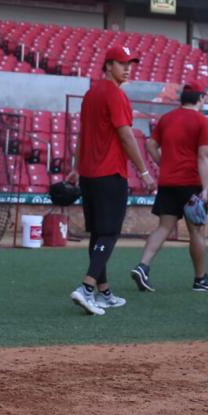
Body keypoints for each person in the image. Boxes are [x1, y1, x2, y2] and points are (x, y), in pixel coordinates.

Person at [69, 44, 153, 315]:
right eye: (121, 63)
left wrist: (75, 166)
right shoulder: (115, 95)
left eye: (130, 63)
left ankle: (103, 292)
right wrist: (143, 171)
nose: (127, 68)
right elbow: (126, 135)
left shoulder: (91, 93)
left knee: (98, 232)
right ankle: (87, 287)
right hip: (109, 174)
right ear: (107, 66)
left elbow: (82, 134)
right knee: (109, 232)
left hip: (89, 174)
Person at [131, 85, 208, 295]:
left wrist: (166, 164)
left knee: (163, 227)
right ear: (201, 97)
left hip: (168, 182)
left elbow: (151, 146)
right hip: (191, 184)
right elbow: (204, 156)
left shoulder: (167, 118)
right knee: (197, 231)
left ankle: (142, 266)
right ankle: (200, 280)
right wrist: (206, 189)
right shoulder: (203, 122)